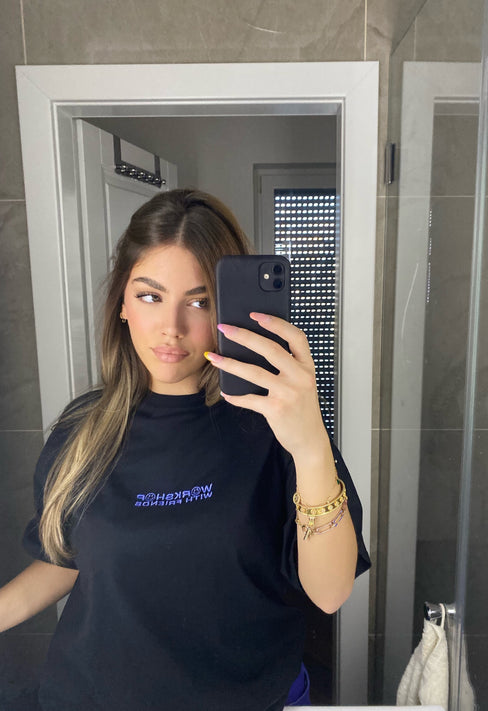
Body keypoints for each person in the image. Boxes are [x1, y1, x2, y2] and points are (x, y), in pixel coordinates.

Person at [0, 189, 370, 711]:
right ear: (122, 304)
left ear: (227, 310)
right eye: (150, 296)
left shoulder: (276, 427)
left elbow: (329, 593)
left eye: (199, 302)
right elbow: (73, 560)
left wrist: (311, 445)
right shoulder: (82, 428)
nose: (171, 327)